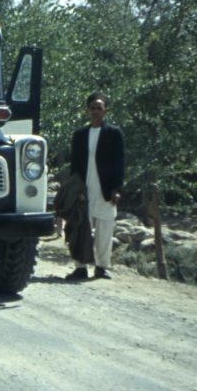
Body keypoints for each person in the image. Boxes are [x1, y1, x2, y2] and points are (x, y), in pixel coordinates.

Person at [65, 92, 125, 281]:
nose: (96, 111)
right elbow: (75, 165)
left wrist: (117, 189)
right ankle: (80, 267)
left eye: (99, 108)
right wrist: (77, 190)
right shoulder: (80, 135)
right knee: (80, 229)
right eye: (93, 108)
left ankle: (101, 267)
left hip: (106, 189)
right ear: (87, 110)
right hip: (85, 189)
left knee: (105, 229)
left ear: (105, 110)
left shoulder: (114, 134)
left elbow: (120, 162)